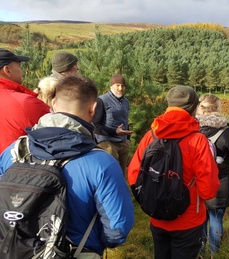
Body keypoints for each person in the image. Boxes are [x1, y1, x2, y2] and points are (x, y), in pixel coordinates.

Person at [0, 76, 135, 258]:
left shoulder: (14, 151)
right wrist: (93, 244)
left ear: (53, 103)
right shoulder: (102, 163)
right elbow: (118, 228)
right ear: (93, 108)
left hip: (16, 249)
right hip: (76, 251)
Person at [127, 85, 220, 259]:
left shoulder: (151, 136)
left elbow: (133, 174)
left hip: (157, 217)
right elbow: (208, 188)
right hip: (189, 219)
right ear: (193, 108)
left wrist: (152, 198)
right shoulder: (198, 140)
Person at [195, 94, 229, 257]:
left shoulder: (193, 128)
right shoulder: (225, 131)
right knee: (216, 219)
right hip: (219, 180)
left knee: (200, 219)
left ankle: (200, 254)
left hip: (197, 180)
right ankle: (214, 255)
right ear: (218, 108)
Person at [0, 48, 50, 153]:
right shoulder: (25, 103)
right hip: (13, 167)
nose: (21, 70)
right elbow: (60, 135)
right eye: (19, 65)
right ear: (7, 70)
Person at [93, 74, 133, 174]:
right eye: (117, 85)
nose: (120, 88)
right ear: (111, 86)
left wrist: (127, 140)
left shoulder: (126, 102)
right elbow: (96, 126)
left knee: (122, 174)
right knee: (111, 174)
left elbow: (125, 120)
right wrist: (114, 132)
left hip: (123, 143)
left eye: (123, 86)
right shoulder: (101, 100)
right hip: (107, 143)